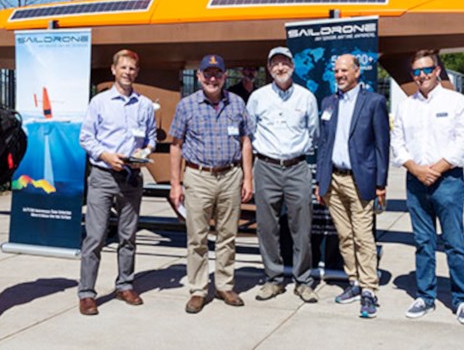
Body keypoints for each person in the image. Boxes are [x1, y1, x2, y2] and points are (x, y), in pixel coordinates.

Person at [391, 49, 464, 325]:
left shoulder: (456, 101)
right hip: (416, 182)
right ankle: (425, 296)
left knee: (454, 243)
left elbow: (463, 141)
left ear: (437, 70)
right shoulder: (406, 105)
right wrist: (415, 169)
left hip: (448, 182)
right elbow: (398, 142)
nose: (422, 76)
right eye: (416, 72)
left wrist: (436, 169)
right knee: (423, 242)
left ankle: (462, 299)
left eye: (427, 70)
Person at [170, 54, 254, 314]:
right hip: (198, 177)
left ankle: (225, 284)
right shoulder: (187, 105)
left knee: (228, 235)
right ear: (199, 76)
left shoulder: (238, 103)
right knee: (197, 238)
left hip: (230, 176)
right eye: (208, 73)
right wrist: (176, 184)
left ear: (225, 76)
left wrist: (248, 177)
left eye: (217, 73)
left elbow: (246, 142)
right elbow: (176, 145)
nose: (212, 78)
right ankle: (198, 289)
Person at [77, 49, 158, 315]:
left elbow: (150, 138)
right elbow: (86, 138)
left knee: (128, 235)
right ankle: (87, 293)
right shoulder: (99, 102)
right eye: (123, 68)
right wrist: (106, 155)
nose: (127, 72)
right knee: (95, 236)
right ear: (114, 70)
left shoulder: (144, 105)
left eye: (132, 69)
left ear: (137, 72)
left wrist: (143, 154)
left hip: (131, 177)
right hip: (103, 175)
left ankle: (125, 284)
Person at [314, 54, 390, 319]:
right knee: (344, 236)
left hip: (361, 180)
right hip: (333, 181)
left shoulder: (374, 102)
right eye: (336, 71)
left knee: (363, 236)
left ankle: (369, 289)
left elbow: (382, 146)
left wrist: (381, 183)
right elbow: (323, 145)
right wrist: (319, 182)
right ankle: (354, 282)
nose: (339, 75)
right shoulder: (328, 103)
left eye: (344, 70)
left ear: (357, 72)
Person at [246, 47, 319, 303]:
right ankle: (273, 279)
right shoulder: (257, 97)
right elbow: (250, 132)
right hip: (266, 167)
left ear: (293, 66)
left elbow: (314, 133)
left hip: (297, 167)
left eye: (285, 62)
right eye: (275, 63)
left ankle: (303, 281)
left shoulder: (306, 97)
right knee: (267, 228)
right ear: (269, 68)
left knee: (302, 227)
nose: (280, 68)